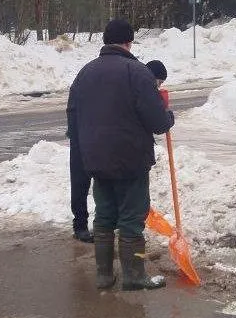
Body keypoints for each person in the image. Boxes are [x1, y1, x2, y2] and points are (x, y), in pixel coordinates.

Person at [67, 19, 175, 290]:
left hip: (96, 160)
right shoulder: (137, 72)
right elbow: (157, 122)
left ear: (106, 40)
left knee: (104, 216)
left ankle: (104, 276)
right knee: (131, 218)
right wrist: (168, 116)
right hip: (130, 160)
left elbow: (73, 117)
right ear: (129, 41)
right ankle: (134, 276)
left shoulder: (85, 73)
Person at [66, 60, 168, 243]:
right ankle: (85, 226)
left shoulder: (89, 71)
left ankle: (90, 229)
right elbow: (155, 120)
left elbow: (73, 105)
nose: (158, 86)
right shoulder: (136, 76)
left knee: (93, 188)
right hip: (99, 138)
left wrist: (76, 132)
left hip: (88, 134)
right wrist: (167, 116)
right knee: (90, 183)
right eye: (158, 82)